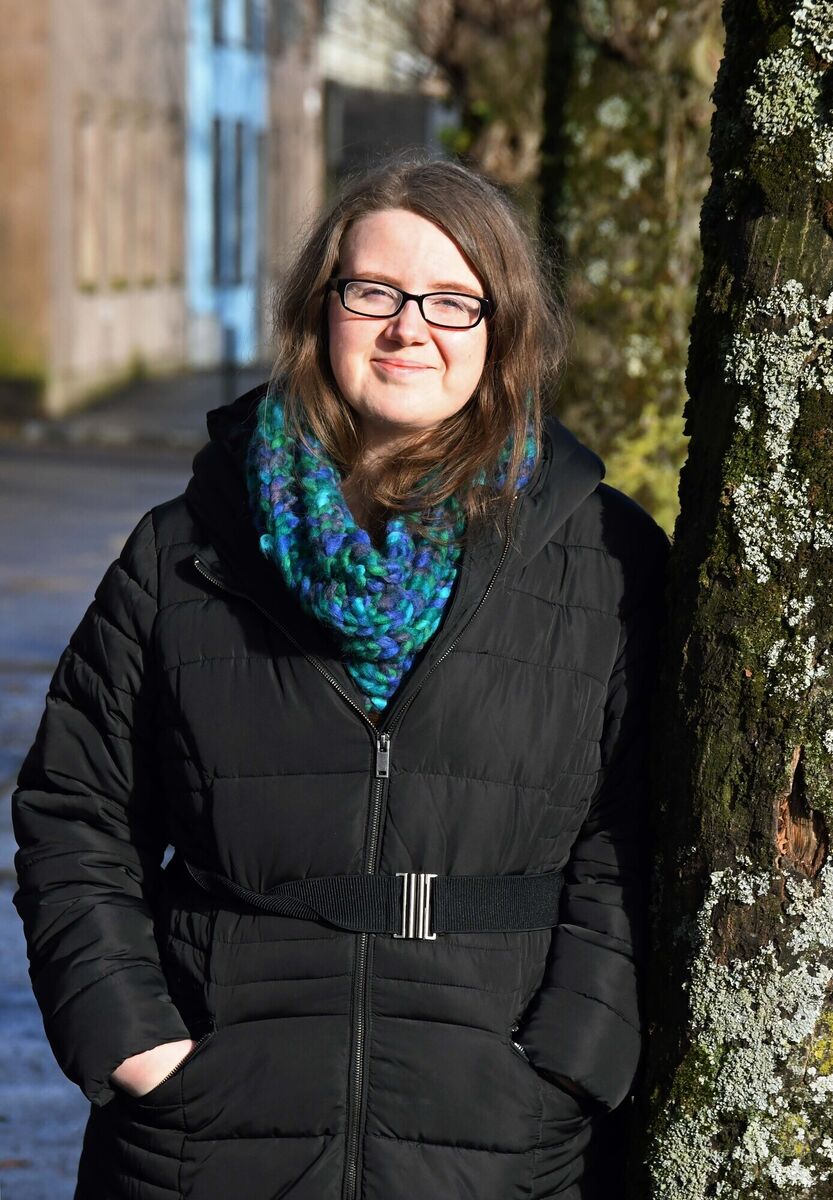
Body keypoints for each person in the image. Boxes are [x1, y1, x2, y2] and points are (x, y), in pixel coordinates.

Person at [11, 153, 670, 1200]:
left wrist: (571, 1064)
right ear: (321, 310)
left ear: (502, 331)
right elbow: (75, 810)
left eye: (454, 301)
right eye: (375, 292)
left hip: (505, 1149)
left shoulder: (603, 560)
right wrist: (136, 1045)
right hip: (201, 1145)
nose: (411, 327)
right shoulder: (187, 550)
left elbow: (636, 832)